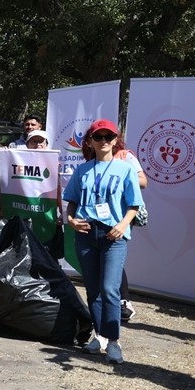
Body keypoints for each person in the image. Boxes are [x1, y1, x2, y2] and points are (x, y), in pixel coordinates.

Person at [64, 119, 143, 364]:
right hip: (86, 233)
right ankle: (100, 337)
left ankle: (114, 340)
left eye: (108, 136)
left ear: (115, 140)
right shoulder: (82, 170)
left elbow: (134, 204)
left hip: (113, 235)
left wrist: (122, 225)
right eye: (98, 137)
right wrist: (71, 221)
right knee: (93, 289)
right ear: (90, 142)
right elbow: (72, 202)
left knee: (109, 288)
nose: (104, 141)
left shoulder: (125, 169)